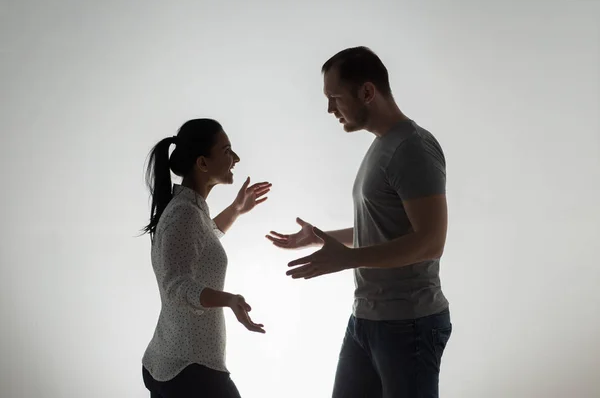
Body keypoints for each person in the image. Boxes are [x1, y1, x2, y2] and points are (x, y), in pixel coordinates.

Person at [267, 47, 452, 397]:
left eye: (334, 97)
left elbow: (431, 241)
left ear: (367, 92)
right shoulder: (382, 145)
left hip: (408, 324)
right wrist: (320, 239)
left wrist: (347, 258)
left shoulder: (413, 148)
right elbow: (385, 228)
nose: (329, 109)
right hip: (366, 320)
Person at [141, 118, 270, 398]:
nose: (235, 158)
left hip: (173, 363)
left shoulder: (189, 209)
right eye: (226, 150)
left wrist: (236, 209)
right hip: (189, 370)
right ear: (202, 163)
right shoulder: (184, 213)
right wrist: (228, 299)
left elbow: (203, 239)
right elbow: (176, 286)